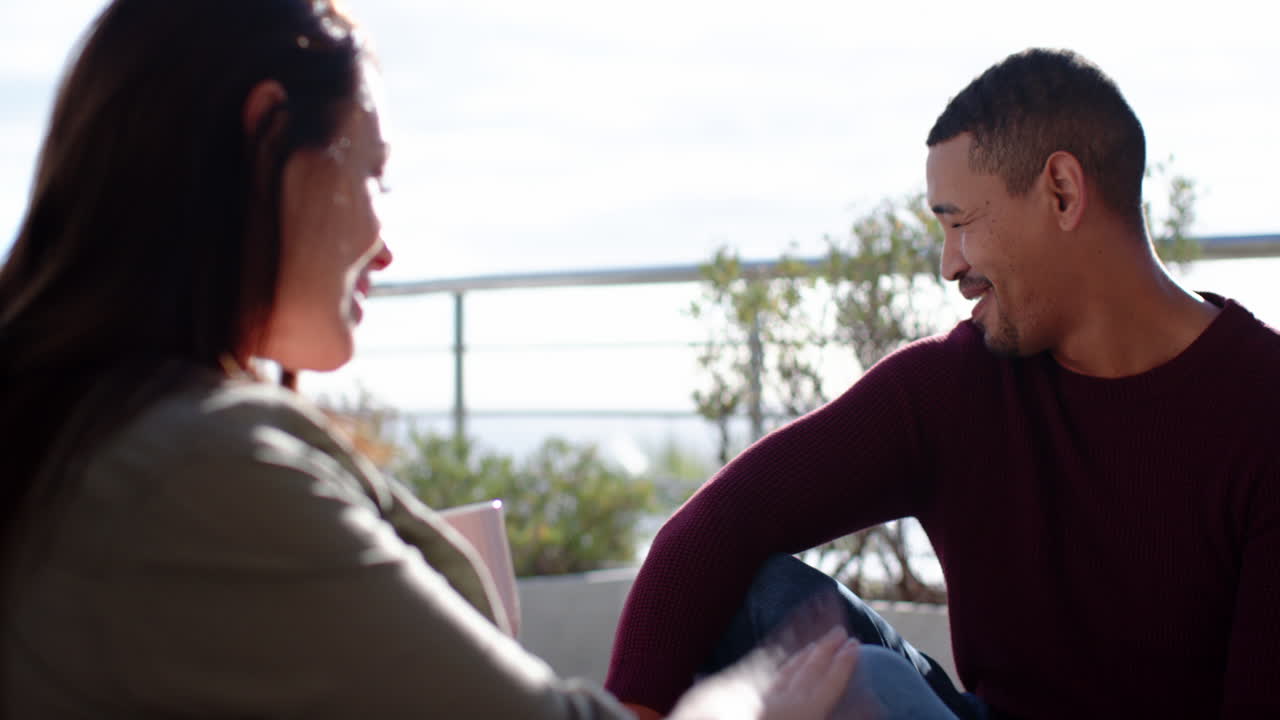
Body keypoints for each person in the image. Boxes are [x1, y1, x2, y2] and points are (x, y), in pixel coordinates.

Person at [0, 1, 866, 717]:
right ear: (267, 138)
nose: (386, 246)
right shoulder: (197, 470)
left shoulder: (88, 433)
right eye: (373, 173)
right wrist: (755, 701)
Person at [606, 48, 1280, 720]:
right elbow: (711, 530)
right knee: (753, 598)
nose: (949, 263)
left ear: (1062, 192)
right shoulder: (954, 386)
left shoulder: (1262, 408)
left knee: (858, 683)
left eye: (959, 222)